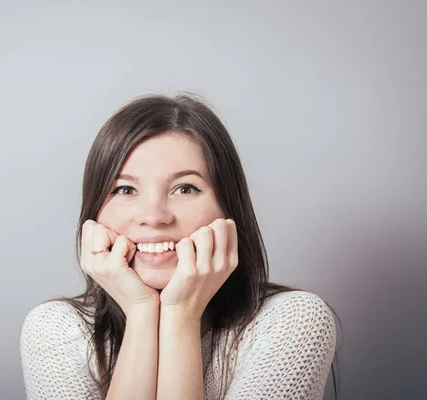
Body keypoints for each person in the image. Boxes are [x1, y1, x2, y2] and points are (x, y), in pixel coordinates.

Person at [20, 93, 339, 399]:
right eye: (125, 189)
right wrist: (142, 313)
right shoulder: (56, 330)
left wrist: (181, 315)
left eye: (185, 188)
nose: (153, 216)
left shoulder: (293, 322)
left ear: (229, 209)